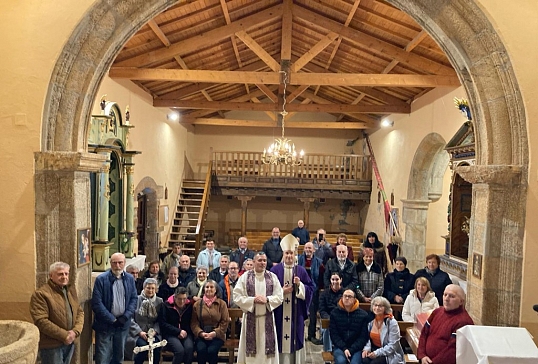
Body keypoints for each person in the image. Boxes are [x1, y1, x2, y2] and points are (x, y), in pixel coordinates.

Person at [271, 234, 316, 364]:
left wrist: (299, 285)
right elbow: (268, 290)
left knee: (294, 340)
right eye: (287, 253)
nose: (289, 256)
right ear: (283, 254)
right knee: (280, 338)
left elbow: (310, 289)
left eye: (291, 253)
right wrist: (281, 291)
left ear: (294, 254)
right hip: (279, 312)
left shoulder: (300, 271)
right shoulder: (274, 270)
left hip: (296, 313)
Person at [234, 252, 284, 364]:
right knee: (251, 354)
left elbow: (280, 297)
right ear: (253, 262)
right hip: (250, 319)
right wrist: (252, 300)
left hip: (267, 319)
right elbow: (236, 296)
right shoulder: (245, 277)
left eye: (264, 260)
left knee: (266, 353)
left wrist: (267, 300)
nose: (262, 263)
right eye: (260, 260)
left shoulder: (272, 277)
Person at [30, 262, 84, 364]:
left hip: (70, 341)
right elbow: (41, 321)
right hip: (52, 345)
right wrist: (64, 336)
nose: (64, 277)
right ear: (51, 276)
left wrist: (75, 332)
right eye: (60, 274)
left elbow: (80, 312)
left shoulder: (70, 290)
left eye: (66, 274)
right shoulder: (41, 294)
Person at [92, 252, 138, 364]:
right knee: (103, 357)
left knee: (118, 356)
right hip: (105, 324)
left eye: (120, 262)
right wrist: (112, 319)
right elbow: (97, 303)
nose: (117, 265)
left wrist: (125, 317)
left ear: (124, 263)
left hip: (122, 325)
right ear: (110, 263)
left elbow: (133, 299)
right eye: (114, 263)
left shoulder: (129, 279)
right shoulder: (101, 279)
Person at [417, 284, 474, 364]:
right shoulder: (437, 312)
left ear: (461, 301)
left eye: (451, 296)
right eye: (445, 294)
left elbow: (452, 351)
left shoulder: (463, 322)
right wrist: (422, 355)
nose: (446, 299)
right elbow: (424, 333)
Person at [191, 280, 229, 364]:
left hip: (217, 335)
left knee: (211, 351)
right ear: (204, 289)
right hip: (202, 334)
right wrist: (201, 333)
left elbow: (225, 321)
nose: (209, 289)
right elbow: (194, 323)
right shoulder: (197, 304)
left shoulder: (222, 304)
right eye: (207, 287)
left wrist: (214, 333)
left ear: (216, 290)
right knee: (201, 351)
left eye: (212, 287)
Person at [126, 278, 164, 364]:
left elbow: (160, 320)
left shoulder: (160, 301)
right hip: (138, 333)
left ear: (156, 289)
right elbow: (130, 318)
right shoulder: (136, 299)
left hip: (153, 333)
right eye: (148, 288)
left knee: (156, 348)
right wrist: (139, 332)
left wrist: (155, 331)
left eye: (153, 288)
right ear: (144, 288)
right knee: (142, 347)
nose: (150, 290)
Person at [329, 289, 370, 364]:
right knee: (341, 361)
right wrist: (344, 348)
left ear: (354, 299)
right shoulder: (334, 313)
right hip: (340, 347)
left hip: (356, 348)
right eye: (345, 296)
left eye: (349, 296)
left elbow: (363, 337)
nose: (347, 298)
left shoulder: (363, 315)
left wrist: (351, 349)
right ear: (342, 298)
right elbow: (334, 335)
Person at [361, 296, 405, 364]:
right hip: (373, 349)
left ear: (385, 308)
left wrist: (377, 353)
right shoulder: (370, 321)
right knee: (364, 360)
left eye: (380, 306)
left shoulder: (391, 322)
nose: (377, 308)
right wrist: (366, 349)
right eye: (375, 305)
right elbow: (367, 338)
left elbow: (393, 346)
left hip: (388, 353)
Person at [159, 287, 194, 364]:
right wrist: (178, 331)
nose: (182, 301)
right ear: (174, 297)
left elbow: (191, 322)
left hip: (186, 333)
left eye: (184, 299)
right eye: (179, 299)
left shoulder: (189, 306)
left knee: (189, 349)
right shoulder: (166, 305)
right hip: (170, 334)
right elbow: (163, 323)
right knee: (179, 351)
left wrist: (184, 332)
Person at [298, 241, 324, 345]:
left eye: (310, 248)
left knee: (312, 314)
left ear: (314, 250)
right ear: (304, 249)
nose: (308, 250)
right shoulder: (298, 260)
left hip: (313, 290)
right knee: (299, 313)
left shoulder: (319, 261)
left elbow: (321, 277)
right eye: (306, 248)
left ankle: (311, 335)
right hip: (300, 290)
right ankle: (299, 335)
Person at [319, 272, 344, 353]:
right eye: (333, 279)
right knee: (327, 328)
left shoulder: (345, 293)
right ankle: (328, 352)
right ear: (330, 280)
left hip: (341, 319)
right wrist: (330, 318)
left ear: (341, 280)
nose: (335, 282)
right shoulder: (324, 294)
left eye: (337, 279)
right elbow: (322, 310)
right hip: (329, 319)